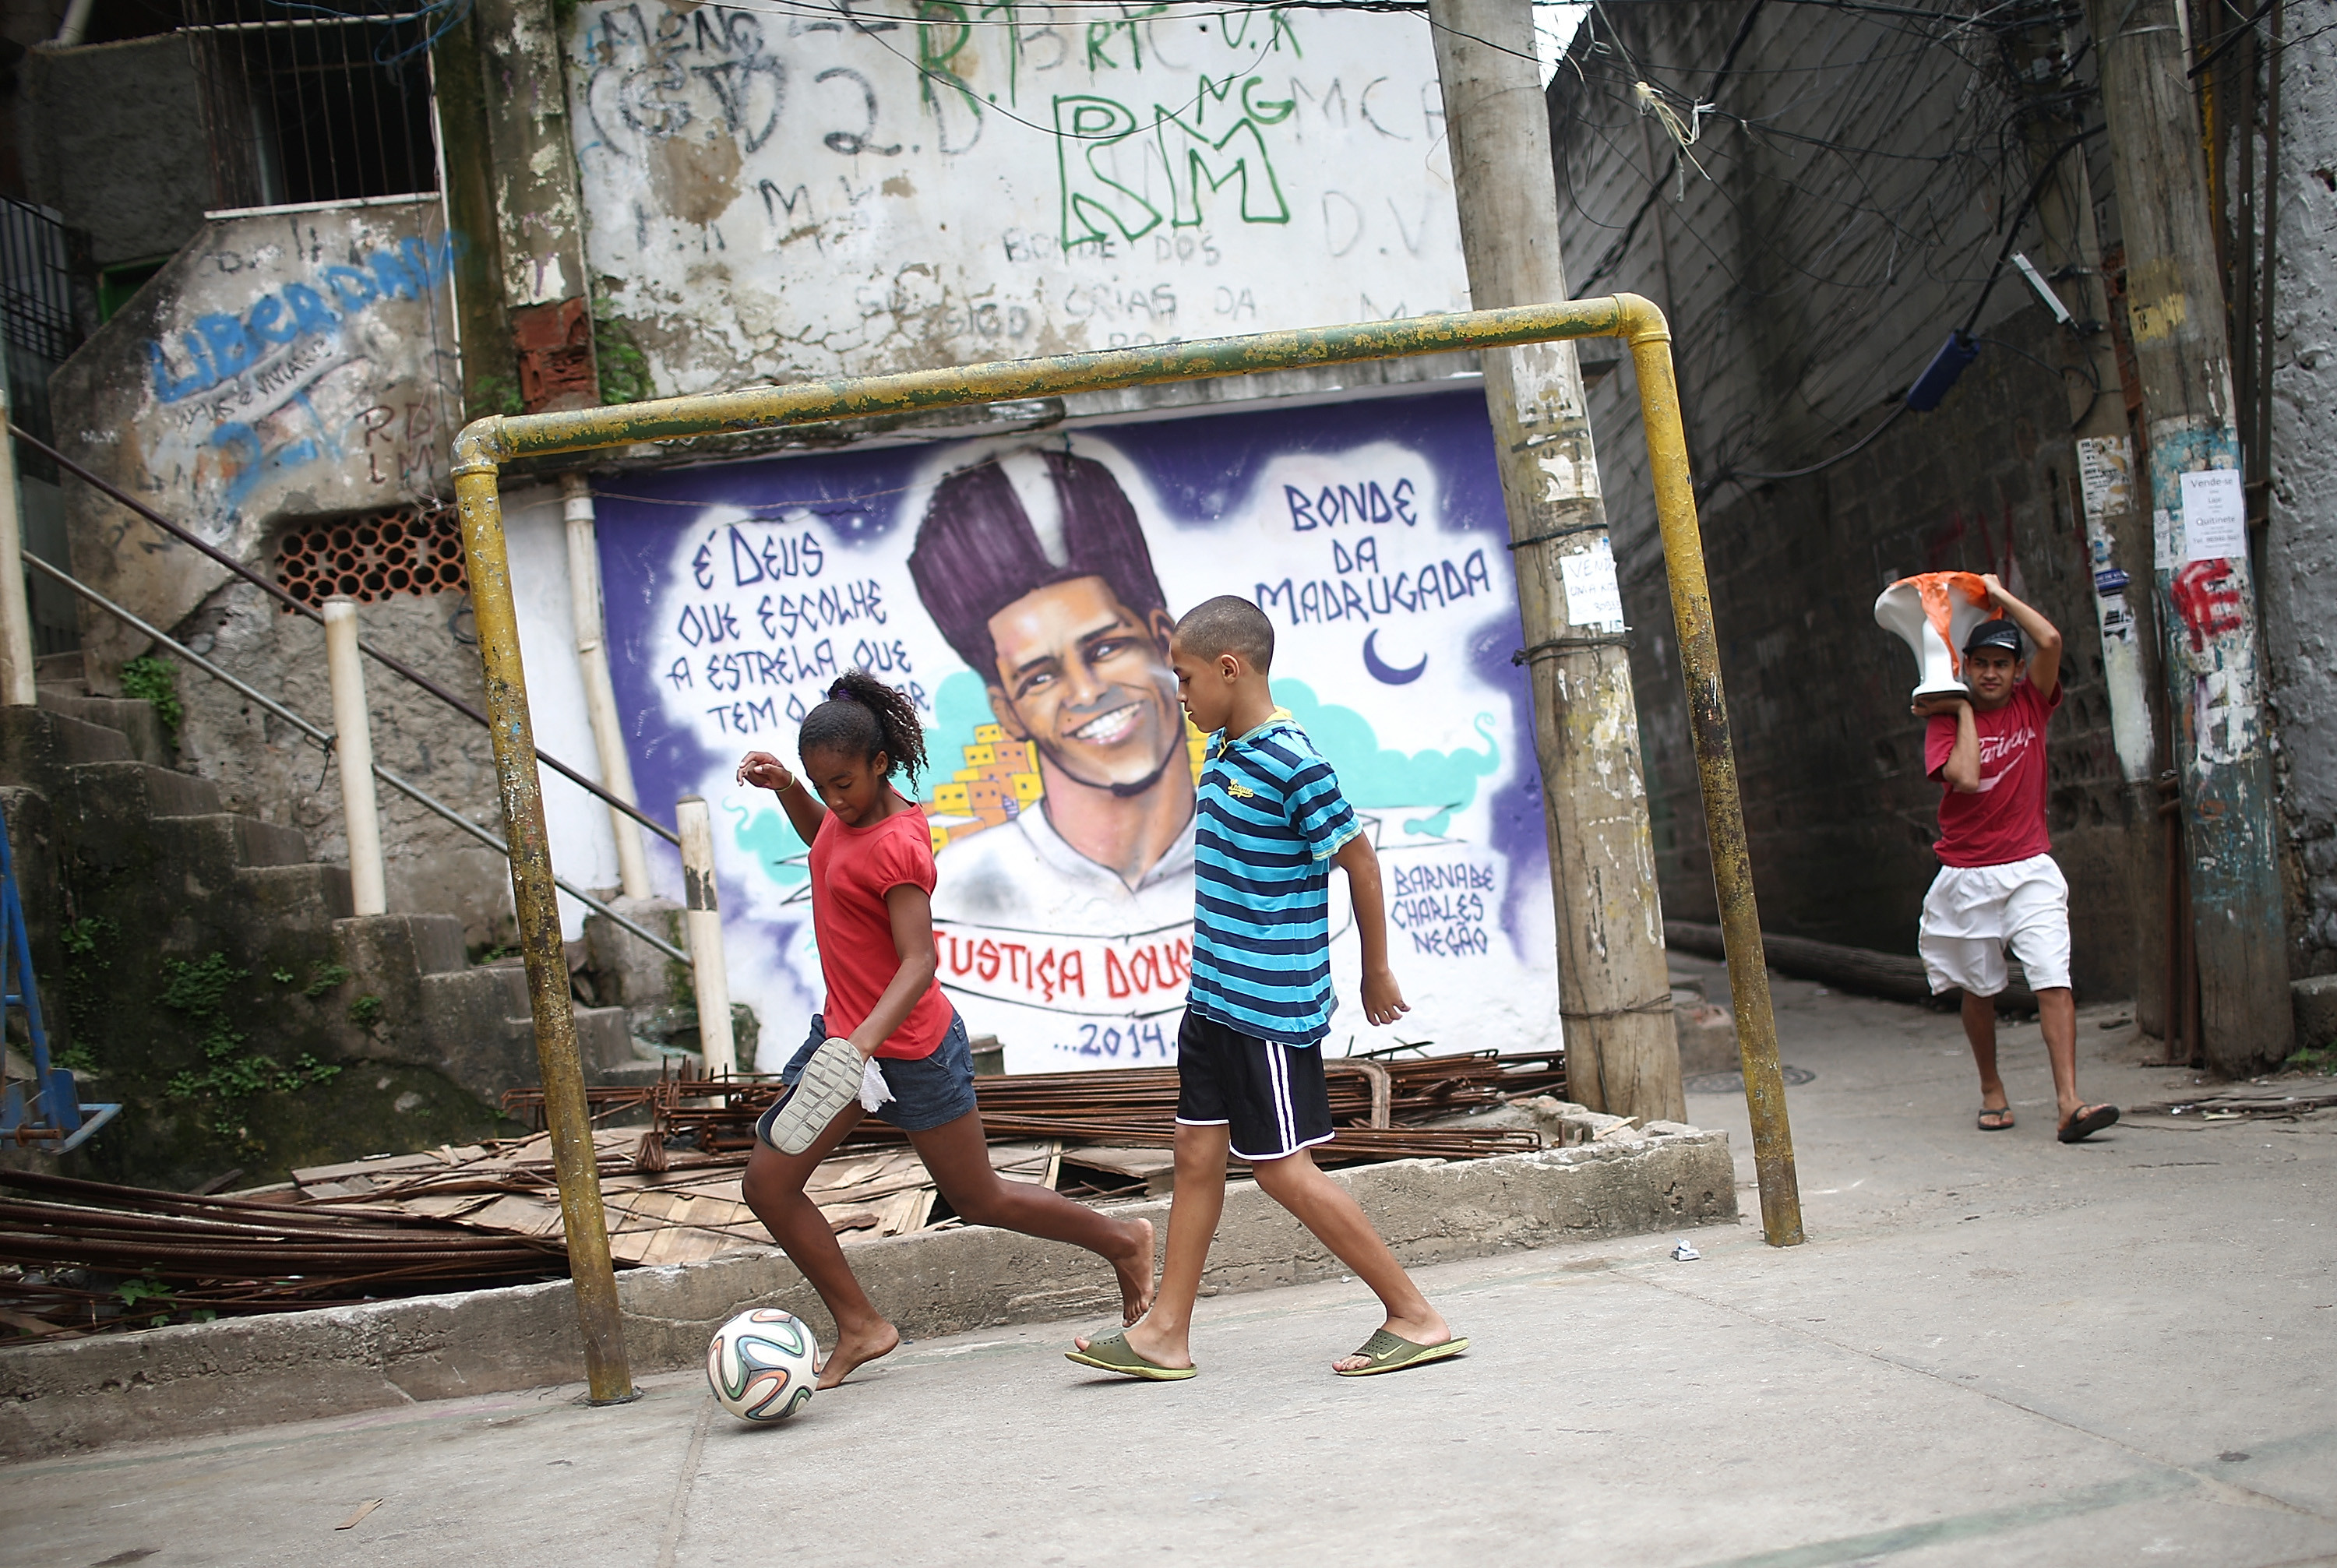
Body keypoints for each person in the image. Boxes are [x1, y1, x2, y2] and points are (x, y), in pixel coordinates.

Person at [1067, 596, 1468, 1380]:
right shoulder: (1222, 751)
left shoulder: (1294, 760)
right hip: (1213, 999)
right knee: (1194, 1152)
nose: (1178, 697)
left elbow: (1358, 860)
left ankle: (1415, 1315)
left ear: (1230, 667)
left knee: (1283, 1169)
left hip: (1267, 1006)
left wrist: (1374, 968)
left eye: (1183, 679)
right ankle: (1165, 1335)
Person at [734, 671, 1158, 1386]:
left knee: (978, 1198)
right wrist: (789, 792)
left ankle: (1126, 1240)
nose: (832, 799)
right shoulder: (845, 815)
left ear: (880, 764)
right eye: (819, 783)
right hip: (846, 1042)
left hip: (910, 1050)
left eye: (842, 783)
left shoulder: (900, 843)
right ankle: (863, 1325)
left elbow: (919, 961)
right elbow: (829, 848)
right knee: (768, 1185)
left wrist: (862, 1044)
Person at [908, 447, 1195, 935]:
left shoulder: (1269, 847)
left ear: (1166, 642)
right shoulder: (962, 896)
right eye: (1039, 677)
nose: (1086, 692)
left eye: (1106, 648)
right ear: (1008, 712)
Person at [1911, 573, 2118, 1144]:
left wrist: (1996, 596)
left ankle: (2069, 1102)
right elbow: (1967, 778)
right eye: (1980, 663)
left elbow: (2049, 640)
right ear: (1966, 667)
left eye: (2002, 663)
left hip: (2029, 866)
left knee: (2053, 976)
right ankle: (1991, 1088)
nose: (1991, 673)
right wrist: (1963, 710)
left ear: (2017, 672)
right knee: (1981, 991)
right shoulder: (1944, 721)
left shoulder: (2034, 702)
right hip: (1967, 875)